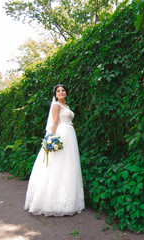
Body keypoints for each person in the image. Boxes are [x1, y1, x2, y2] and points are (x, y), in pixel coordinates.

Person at [24, 84, 85, 216]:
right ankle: (51, 201)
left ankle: (70, 200)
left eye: (63, 90)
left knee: (70, 165)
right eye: (58, 91)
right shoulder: (56, 106)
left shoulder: (67, 107)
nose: (61, 92)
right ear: (55, 95)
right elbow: (54, 123)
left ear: (66, 93)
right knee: (57, 164)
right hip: (62, 134)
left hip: (70, 135)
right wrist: (51, 138)